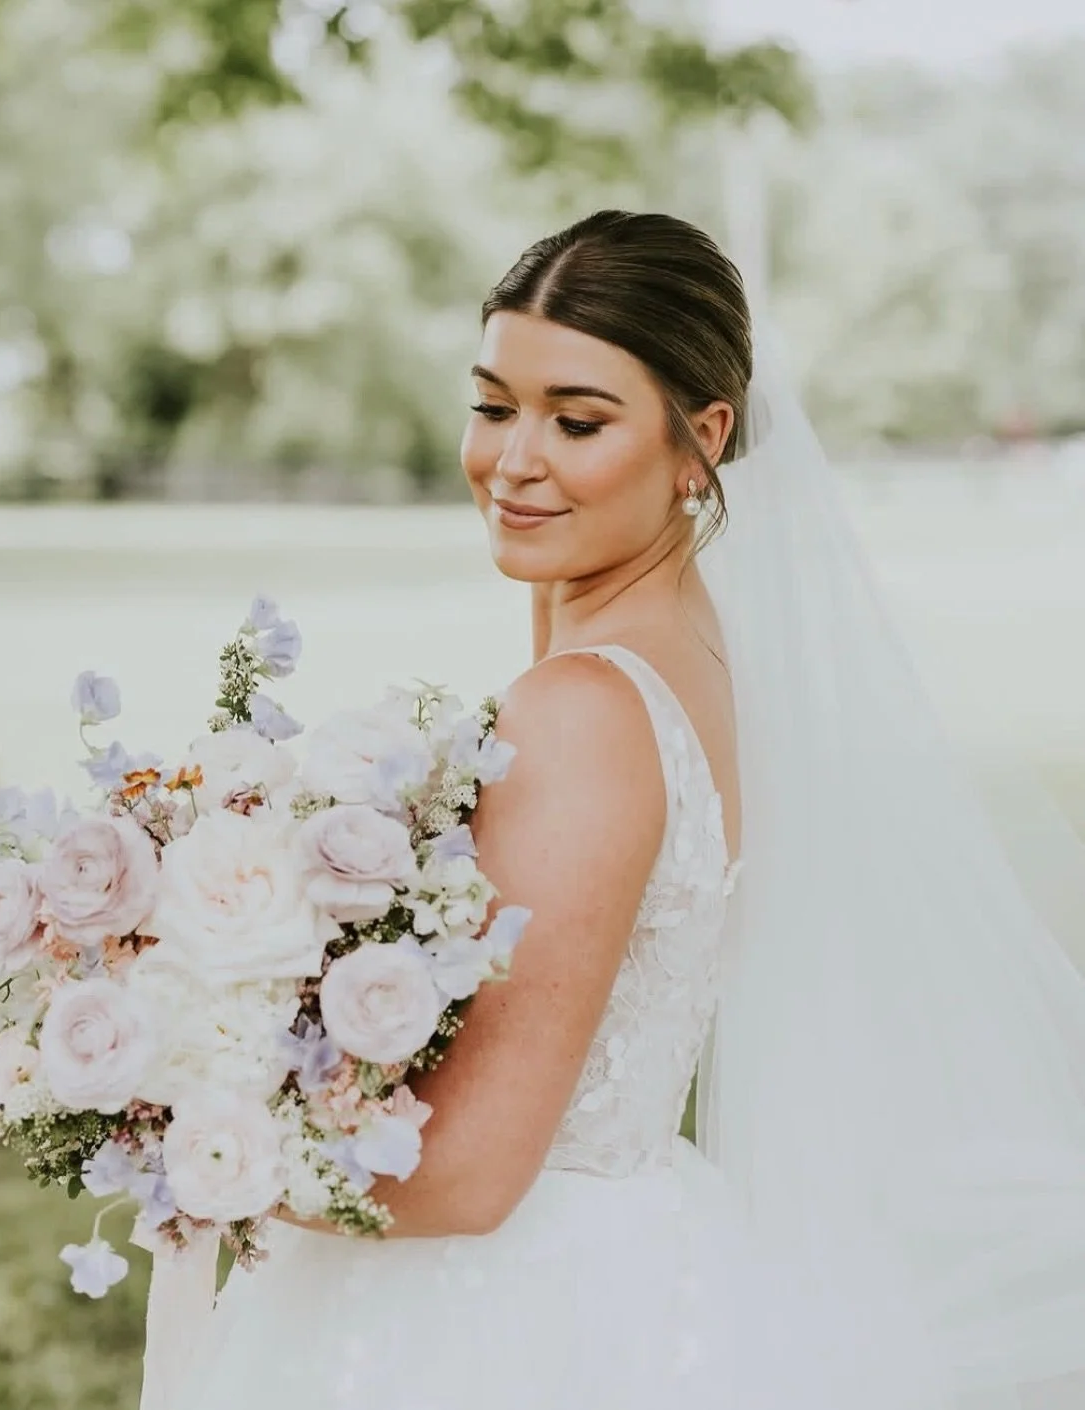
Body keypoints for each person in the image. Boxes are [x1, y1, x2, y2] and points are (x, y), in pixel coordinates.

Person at [148, 211, 1085, 1410]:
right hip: (641, 1238)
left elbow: (475, 1174)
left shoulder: (586, 709)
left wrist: (178, 1117)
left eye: (578, 421)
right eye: (494, 406)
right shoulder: (695, 654)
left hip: (509, 1315)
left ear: (701, 443)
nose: (514, 459)